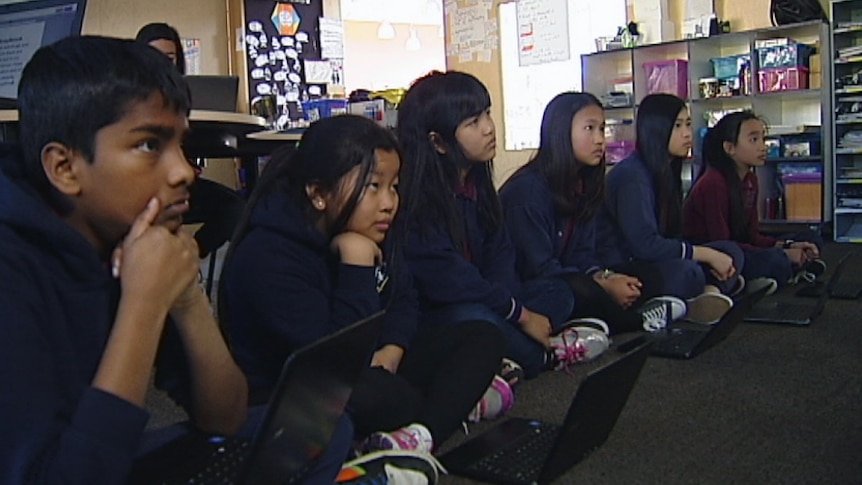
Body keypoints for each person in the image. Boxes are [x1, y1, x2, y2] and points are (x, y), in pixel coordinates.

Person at [0, 36, 252, 484]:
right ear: (65, 168)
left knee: (292, 434)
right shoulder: (12, 265)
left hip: (93, 452)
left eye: (181, 146)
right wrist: (144, 304)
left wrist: (187, 300)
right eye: (149, 145)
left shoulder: (132, 238)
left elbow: (224, 420)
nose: (184, 172)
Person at [219, 114, 506, 459]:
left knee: (482, 335)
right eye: (374, 186)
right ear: (319, 193)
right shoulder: (269, 256)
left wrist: (393, 347)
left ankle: (419, 436)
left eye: (394, 186)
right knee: (388, 398)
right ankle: (446, 405)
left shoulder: (370, 223)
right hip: (297, 389)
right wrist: (355, 265)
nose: (389, 202)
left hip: (366, 364)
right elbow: (330, 358)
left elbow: (404, 296)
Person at [396, 71, 610, 380]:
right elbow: (452, 282)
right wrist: (520, 315)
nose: (488, 128)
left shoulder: (478, 185)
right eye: (473, 122)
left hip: (493, 302)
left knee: (559, 292)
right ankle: (542, 355)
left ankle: (503, 361)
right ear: (438, 142)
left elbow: (501, 258)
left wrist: (516, 309)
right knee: (476, 319)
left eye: (486, 114)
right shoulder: (418, 201)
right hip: (444, 313)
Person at [500, 92, 686, 334]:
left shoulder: (583, 184)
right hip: (530, 288)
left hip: (569, 277)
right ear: (561, 131)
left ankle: (595, 322)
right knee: (567, 292)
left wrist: (604, 277)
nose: (600, 139)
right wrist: (602, 286)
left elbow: (584, 254)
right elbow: (538, 269)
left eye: (602, 129)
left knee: (645, 275)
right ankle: (631, 322)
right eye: (589, 128)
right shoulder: (528, 191)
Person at [596, 93, 744, 325]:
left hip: (654, 261)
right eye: (677, 126)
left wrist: (710, 255)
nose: (687, 133)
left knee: (730, 251)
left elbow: (671, 237)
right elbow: (644, 245)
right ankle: (705, 294)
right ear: (656, 129)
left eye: (687, 124)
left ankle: (706, 295)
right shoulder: (632, 176)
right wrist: (705, 255)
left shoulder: (666, 171)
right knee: (688, 272)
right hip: (624, 266)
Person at [683, 110, 825, 290]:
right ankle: (789, 271)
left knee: (811, 237)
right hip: (717, 257)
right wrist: (781, 252)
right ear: (729, 148)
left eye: (763, 139)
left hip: (740, 247)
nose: (763, 147)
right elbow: (721, 244)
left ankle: (792, 268)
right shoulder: (713, 183)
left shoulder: (750, 180)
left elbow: (752, 235)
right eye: (753, 140)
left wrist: (787, 244)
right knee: (775, 260)